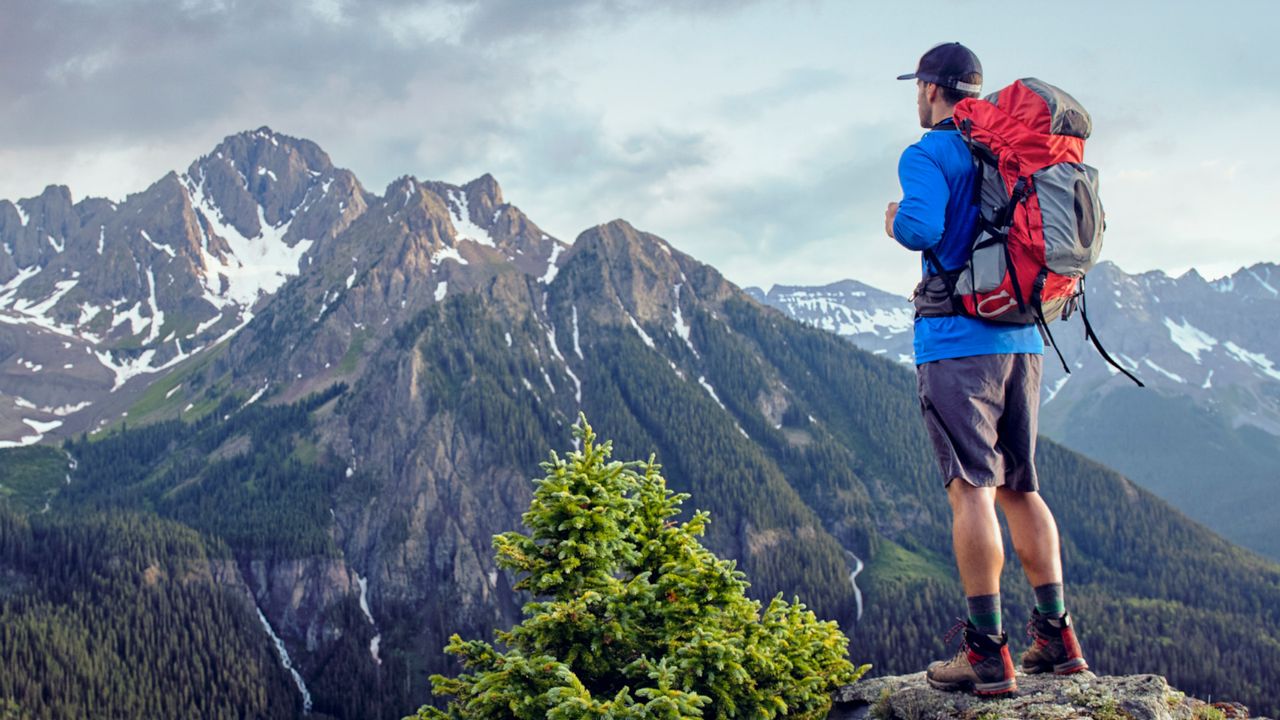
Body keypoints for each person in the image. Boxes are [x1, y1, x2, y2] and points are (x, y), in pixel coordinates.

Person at [885, 42, 1089, 696]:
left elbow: (920, 226)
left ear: (931, 86)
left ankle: (985, 652)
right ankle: (1057, 638)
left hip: (955, 343)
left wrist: (892, 221)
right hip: (1022, 337)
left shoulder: (928, 153)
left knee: (971, 490)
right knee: (1021, 487)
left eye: (917, 86)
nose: (915, 97)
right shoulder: (1006, 147)